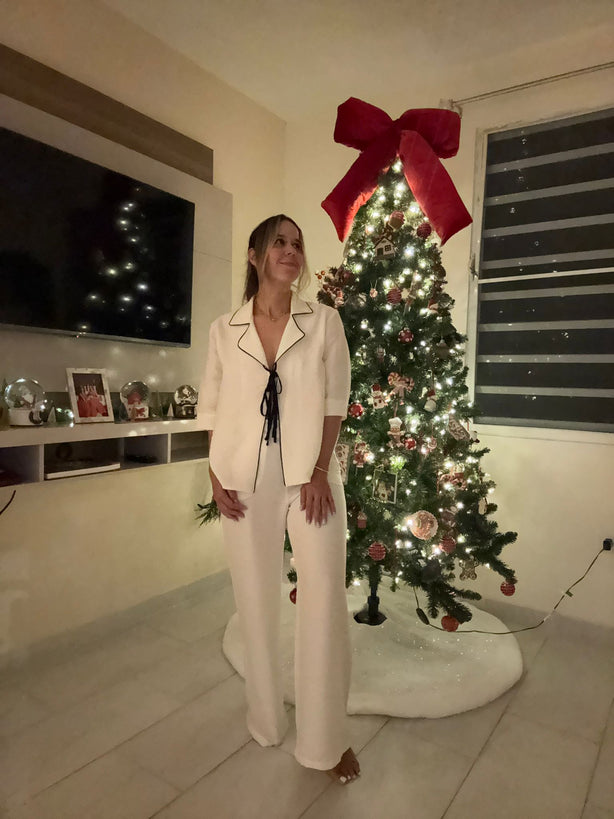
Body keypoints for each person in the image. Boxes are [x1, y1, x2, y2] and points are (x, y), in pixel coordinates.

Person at [200, 214, 361, 785]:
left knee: (322, 601)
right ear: (255, 255)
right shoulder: (225, 329)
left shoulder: (324, 323)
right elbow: (213, 409)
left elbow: (334, 401)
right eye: (279, 243)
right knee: (255, 599)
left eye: (297, 244)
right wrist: (214, 474)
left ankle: (326, 742)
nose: (291, 252)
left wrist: (319, 470)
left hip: (310, 475)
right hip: (243, 475)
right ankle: (264, 719)